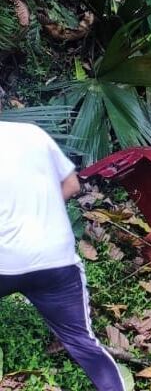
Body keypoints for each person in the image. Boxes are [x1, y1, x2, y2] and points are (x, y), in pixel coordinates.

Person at [0, 120, 126, 391]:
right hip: (55, 259)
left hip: (4, 263)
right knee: (84, 343)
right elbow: (72, 185)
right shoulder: (34, 134)